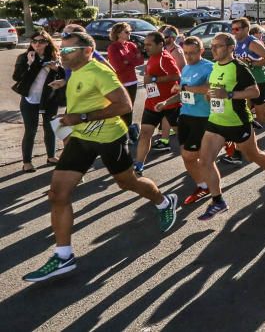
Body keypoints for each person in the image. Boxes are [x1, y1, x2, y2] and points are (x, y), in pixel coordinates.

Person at [22, 32, 178, 283]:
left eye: (68, 50)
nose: (62, 54)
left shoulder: (100, 72)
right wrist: (66, 94)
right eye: (62, 49)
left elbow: (125, 106)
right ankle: (63, 256)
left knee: (128, 183)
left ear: (86, 51)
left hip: (108, 137)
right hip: (82, 138)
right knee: (57, 194)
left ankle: (164, 202)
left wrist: (82, 117)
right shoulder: (75, 70)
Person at [196, 33, 265, 221]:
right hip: (216, 121)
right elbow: (213, 87)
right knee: (204, 160)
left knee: (253, 155)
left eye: (218, 46)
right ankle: (217, 201)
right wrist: (209, 95)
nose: (214, 49)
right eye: (213, 45)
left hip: (238, 121)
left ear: (230, 48)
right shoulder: (216, 66)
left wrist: (227, 94)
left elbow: (254, 91)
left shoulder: (239, 68)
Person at [154, 36, 215, 205]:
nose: (188, 57)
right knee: (187, 156)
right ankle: (203, 185)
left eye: (192, 53)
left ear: (201, 51)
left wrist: (186, 88)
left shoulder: (210, 67)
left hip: (202, 117)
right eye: (186, 53)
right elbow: (183, 92)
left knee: (197, 157)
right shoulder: (187, 68)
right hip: (185, 115)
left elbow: (209, 89)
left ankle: (212, 189)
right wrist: (166, 102)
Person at [13, 31, 64, 172]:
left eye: (41, 41)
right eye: (34, 41)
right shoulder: (24, 57)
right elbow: (17, 77)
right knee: (31, 130)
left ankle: (51, 156)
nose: (37, 44)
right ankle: (27, 162)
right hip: (30, 100)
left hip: (49, 99)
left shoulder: (54, 57)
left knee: (50, 128)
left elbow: (61, 78)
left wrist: (56, 69)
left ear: (47, 43)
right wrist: (30, 64)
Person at [135, 32, 181, 172]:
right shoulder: (153, 56)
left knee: (183, 136)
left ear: (160, 44)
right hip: (152, 104)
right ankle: (138, 165)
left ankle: (199, 159)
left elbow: (176, 75)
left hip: (169, 104)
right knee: (145, 134)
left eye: (149, 44)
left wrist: (154, 79)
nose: (146, 47)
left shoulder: (164, 58)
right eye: (145, 44)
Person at [106, 22, 143, 144]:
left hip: (132, 81)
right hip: (120, 83)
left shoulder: (131, 45)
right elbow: (118, 66)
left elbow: (140, 60)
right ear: (118, 33)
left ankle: (127, 134)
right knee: (121, 109)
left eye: (129, 31)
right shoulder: (113, 47)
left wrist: (128, 60)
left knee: (130, 108)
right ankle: (121, 135)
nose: (129, 34)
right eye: (126, 32)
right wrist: (130, 60)